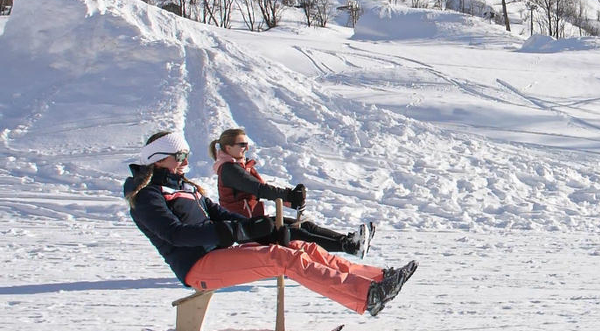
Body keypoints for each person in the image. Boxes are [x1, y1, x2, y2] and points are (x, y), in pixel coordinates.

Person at [124, 131, 416, 317]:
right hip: (196, 266)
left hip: (217, 253)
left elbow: (220, 214)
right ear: (157, 159)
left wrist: (261, 229)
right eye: (180, 156)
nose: (185, 162)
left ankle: (377, 278)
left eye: (186, 156)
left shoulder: (187, 187)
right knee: (282, 258)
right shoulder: (146, 196)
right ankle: (366, 297)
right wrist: (239, 231)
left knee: (300, 245)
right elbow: (176, 235)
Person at [208, 128, 373, 259]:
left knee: (304, 226)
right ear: (228, 148)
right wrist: (288, 196)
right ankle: (348, 246)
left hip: (253, 222)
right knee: (294, 232)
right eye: (242, 144)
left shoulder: (236, 166)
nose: (246, 148)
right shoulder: (230, 169)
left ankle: (349, 242)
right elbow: (259, 189)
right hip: (244, 229)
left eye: (246, 144)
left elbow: (259, 189)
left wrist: (291, 200)